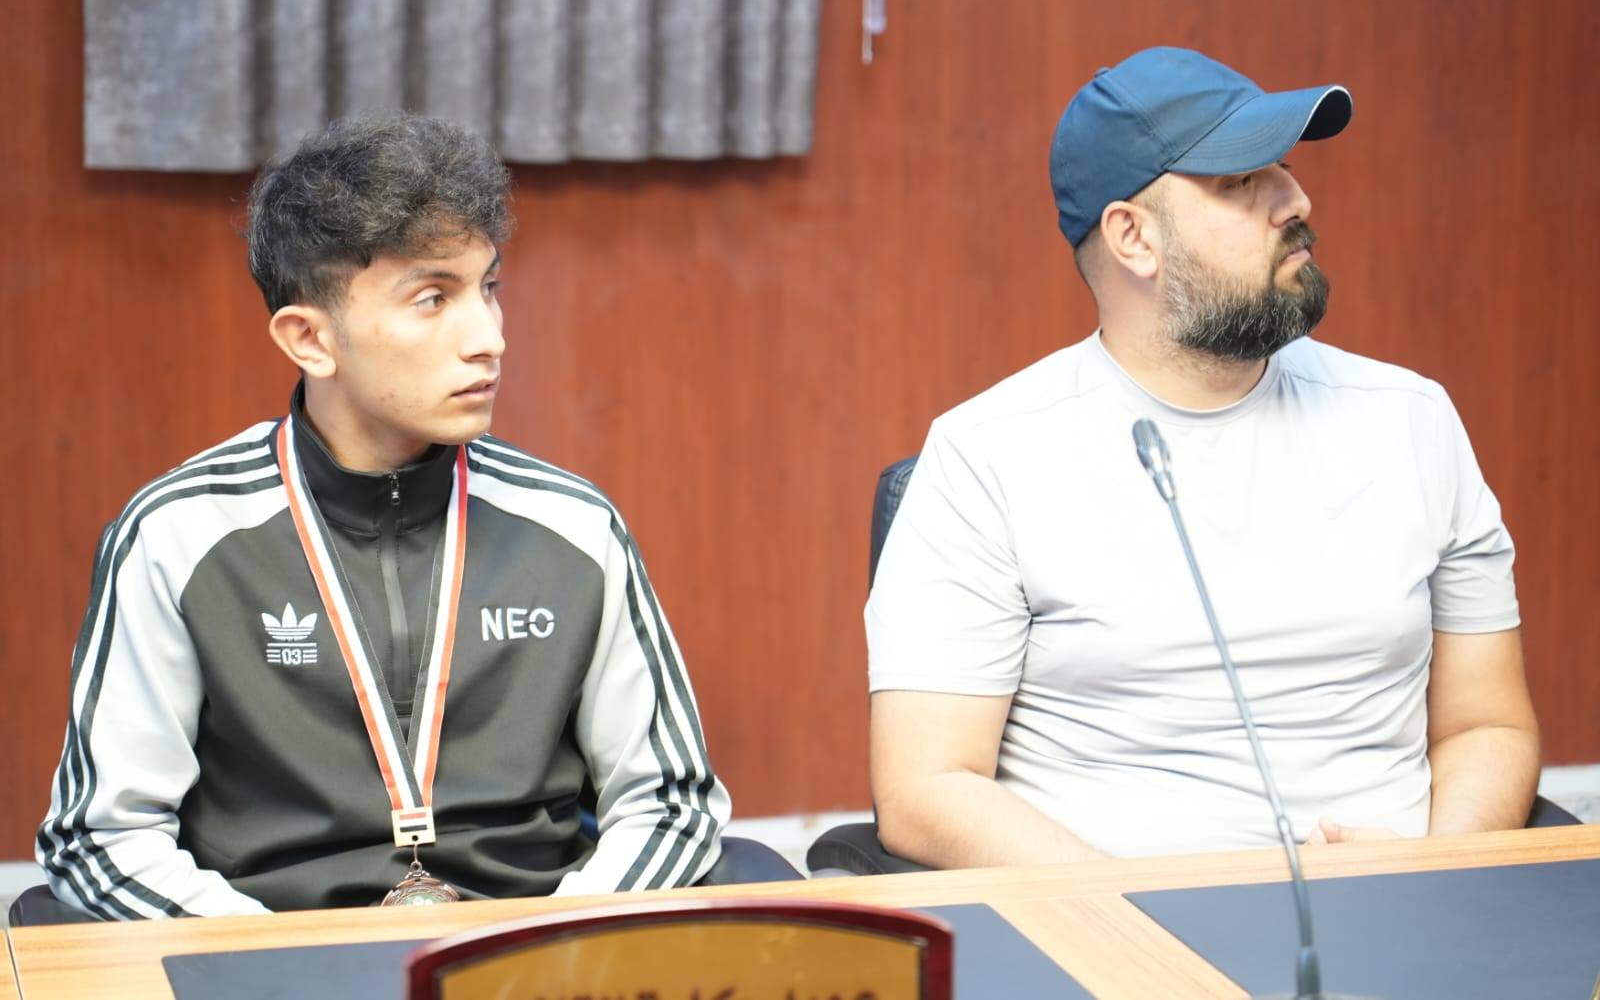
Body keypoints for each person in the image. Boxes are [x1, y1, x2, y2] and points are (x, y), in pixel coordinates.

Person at [37, 113, 730, 918]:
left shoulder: (574, 528)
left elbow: (672, 806)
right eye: (433, 298)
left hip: (526, 943)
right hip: (275, 949)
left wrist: (554, 947)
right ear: (310, 339)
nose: (490, 338)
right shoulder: (176, 536)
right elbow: (103, 838)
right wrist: (274, 962)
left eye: (489, 287)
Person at [866, 47, 1540, 866]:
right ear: (1133, 237)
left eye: (1285, 168)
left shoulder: (1413, 421)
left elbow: (1487, 724)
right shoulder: (986, 456)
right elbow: (927, 786)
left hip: (1400, 909)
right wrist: (1132, 916)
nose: (1296, 200)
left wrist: (1437, 870)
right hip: (1105, 923)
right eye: (1241, 181)